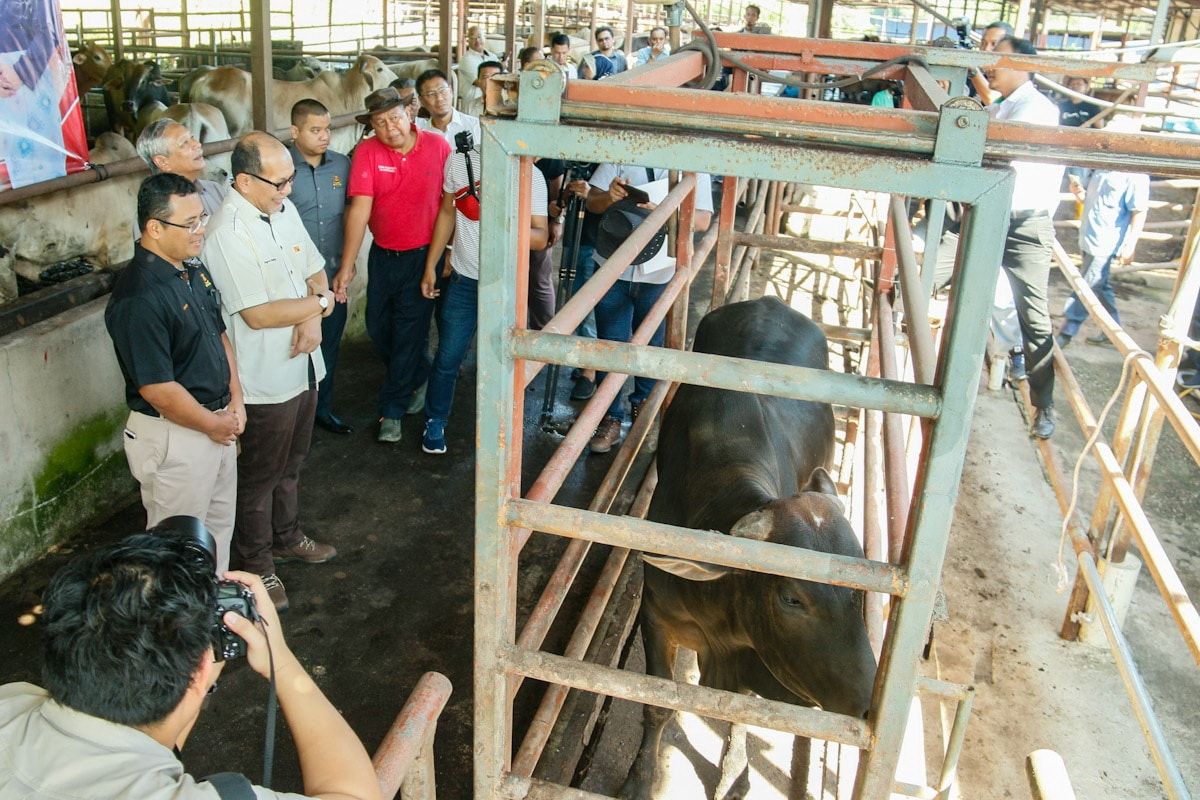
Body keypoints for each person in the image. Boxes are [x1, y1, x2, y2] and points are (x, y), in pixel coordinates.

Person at [0, 532, 380, 800]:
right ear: (201, 667)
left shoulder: (11, 701)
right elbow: (354, 793)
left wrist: (196, 674)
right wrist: (281, 657)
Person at [203, 132, 339, 611]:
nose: (288, 189)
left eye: (291, 179)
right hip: (263, 378)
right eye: (279, 182)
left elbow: (316, 268)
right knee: (259, 477)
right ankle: (256, 566)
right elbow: (258, 314)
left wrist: (311, 311)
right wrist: (319, 307)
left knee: (293, 464)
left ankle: (287, 536)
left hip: (304, 365)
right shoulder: (226, 232)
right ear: (243, 180)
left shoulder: (284, 211)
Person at [104, 173, 244, 575]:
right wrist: (212, 425)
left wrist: (236, 401)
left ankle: (214, 619)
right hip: (177, 434)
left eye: (203, 217)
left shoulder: (191, 270)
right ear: (154, 227)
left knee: (217, 534)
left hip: (217, 422)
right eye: (191, 223)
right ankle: (177, 635)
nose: (202, 229)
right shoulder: (138, 296)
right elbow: (158, 388)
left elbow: (220, 337)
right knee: (175, 552)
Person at [947, 36, 1063, 438]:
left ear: (1019, 63)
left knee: (1034, 315)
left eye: (998, 60)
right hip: (991, 213)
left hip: (1025, 225)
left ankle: (1043, 405)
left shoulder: (1038, 111)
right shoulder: (1009, 105)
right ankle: (942, 372)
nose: (992, 67)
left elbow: (995, 150)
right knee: (946, 273)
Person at [418, 132, 549, 455]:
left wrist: (498, 213)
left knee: (501, 360)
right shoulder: (460, 161)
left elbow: (539, 238)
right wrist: (431, 264)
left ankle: (501, 429)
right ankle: (435, 420)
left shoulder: (529, 173)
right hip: (463, 279)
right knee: (448, 356)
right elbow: (448, 213)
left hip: (505, 285)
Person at [333, 87, 450, 444]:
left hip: (422, 255)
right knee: (377, 327)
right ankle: (422, 374)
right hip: (383, 255)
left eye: (395, 118)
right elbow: (361, 208)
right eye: (380, 123)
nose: (389, 128)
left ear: (410, 114)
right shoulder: (367, 152)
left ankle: (392, 410)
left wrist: (443, 258)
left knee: (408, 335)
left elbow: (451, 207)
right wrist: (348, 265)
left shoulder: (439, 147)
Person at [585, 164, 713, 453]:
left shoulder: (694, 162)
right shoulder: (623, 149)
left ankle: (642, 410)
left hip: (660, 271)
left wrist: (665, 213)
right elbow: (592, 201)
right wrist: (610, 198)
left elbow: (704, 219)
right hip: (613, 265)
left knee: (652, 343)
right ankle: (610, 418)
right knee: (610, 345)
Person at [288, 98, 353, 436]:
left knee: (328, 345)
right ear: (294, 131)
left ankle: (322, 410)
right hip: (290, 282)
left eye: (327, 129)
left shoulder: (342, 165)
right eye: (315, 130)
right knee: (293, 349)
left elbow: (353, 216)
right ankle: (294, 420)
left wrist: (348, 264)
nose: (324, 136)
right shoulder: (280, 169)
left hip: (332, 278)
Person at [1057, 132, 1149, 348]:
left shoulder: (1134, 173)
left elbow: (1139, 211)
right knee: (1100, 284)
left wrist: (1131, 244)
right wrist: (1078, 192)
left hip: (1106, 240)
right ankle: (1112, 330)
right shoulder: (1102, 165)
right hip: (1089, 235)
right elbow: (1090, 199)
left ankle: (1067, 330)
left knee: (1087, 284)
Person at [136, 118, 229, 217]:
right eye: (184, 143)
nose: (197, 144)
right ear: (163, 162)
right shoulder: (154, 215)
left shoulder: (215, 190)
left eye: (192, 137)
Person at [415, 68, 482, 146]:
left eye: (443, 91)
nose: (439, 98)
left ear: (451, 91)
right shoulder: (420, 137)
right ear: (421, 100)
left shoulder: (476, 127)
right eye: (431, 94)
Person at [966, 20, 1012, 104]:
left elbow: (992, 99)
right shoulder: (978, 72)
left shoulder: (1011, 76)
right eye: (983, 43)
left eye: (994, 44)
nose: (986, 49)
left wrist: (973, 71)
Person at [456, 25, 500, 108]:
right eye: (473, 38)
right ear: (468, 40)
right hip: (473, 104)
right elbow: (481, 83)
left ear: (484, 38)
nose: (477, 41)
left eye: (479, 37)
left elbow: (503, 76)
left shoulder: (492, 56)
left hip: (491, 101)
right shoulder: (467, 60)